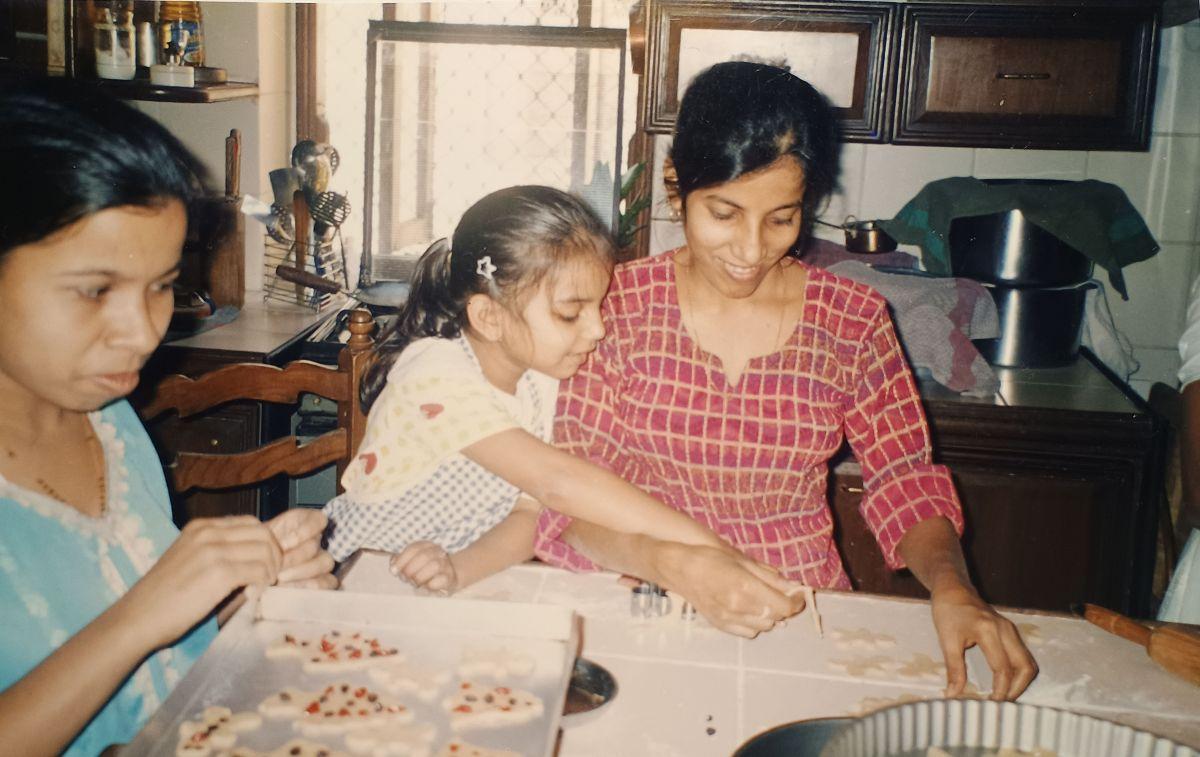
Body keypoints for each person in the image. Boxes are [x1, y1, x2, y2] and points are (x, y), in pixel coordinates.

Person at [533, 62, 1039, 699]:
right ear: (675, 187)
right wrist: (676, 563)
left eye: (781, 218)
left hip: (797, 618)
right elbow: (571, 499)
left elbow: (904, 476)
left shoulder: (852, 320)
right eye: (724, 212)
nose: (751, 249)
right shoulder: (617, 308)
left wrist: (954, 587)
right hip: (641, 611)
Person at [0, 78, 336, 757]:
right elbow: (130, 626)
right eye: (95, 290)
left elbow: (152, 665)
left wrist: (240, 597)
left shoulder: (112, 422)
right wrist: (143, 614)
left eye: (160, 287)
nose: (141, 333)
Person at [322, 186, 793, 602]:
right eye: (571, 313)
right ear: (488, 317)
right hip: (347, 578)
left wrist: (457, 569)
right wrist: (715, 550)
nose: (599, 329)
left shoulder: (541, 382)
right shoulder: (435, 372)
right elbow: (559, 483)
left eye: (599, 306)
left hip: (438, 587)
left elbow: (534, 515)